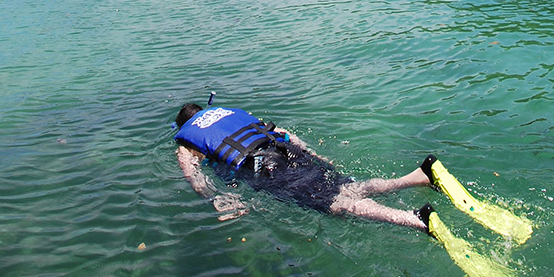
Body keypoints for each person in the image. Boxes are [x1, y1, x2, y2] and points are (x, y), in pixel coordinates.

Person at [173, 102, 436, 231]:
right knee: (346, 187)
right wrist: (314, 154)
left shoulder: (186, 140)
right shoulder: (231, 112)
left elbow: (192, 173)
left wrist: (215, 198)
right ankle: (417, 176)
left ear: (186, 123)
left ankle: (413, 219)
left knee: (333, 204)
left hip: (263, 164)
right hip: (287, 149)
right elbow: (283, 131)